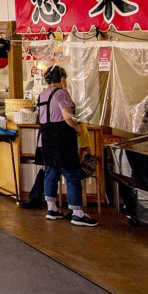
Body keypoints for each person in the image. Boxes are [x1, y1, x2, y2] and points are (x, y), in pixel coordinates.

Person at [38, 65, 98, 227]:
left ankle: (52, 209)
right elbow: (68, 117)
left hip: (46, 138)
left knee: (51, 172)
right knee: (72, 174)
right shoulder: (62, 93)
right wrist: (77, 128)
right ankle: (77, 213)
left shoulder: (42, 95)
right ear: (62, 79)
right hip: (62, 138)